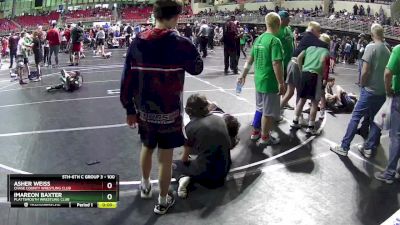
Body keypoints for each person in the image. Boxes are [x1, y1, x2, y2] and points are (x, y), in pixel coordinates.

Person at [120, 0, 204, 215]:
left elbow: (126, 77)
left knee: (147, 147)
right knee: (165, 158)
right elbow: (197, 68)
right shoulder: (180, 43)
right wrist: (190, 45)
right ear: (175, 17)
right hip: (169, 110)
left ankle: (146, 185)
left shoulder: (137, 41)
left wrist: (129, 108)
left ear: (155, 15)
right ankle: (162, 200)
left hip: (144, 110)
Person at [330, 24, 390, 158]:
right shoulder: (387, 51)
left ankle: (344, 147)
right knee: (375, 121)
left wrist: (362, 85)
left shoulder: (370, 47)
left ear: (372, 34)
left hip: (369, 90)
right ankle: (368, 148)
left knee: (355, 117)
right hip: (381, 93)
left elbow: (365, 71)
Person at [173, 94, 238, 198]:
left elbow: (185, 159)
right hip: (224, 171)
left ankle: (183, 178)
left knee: (173, 164)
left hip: (207, 175)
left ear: (189, 111)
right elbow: (229, 144)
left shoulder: (190, 128)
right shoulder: (220, 119)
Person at [237, 12, 286, 144]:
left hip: (259, 80)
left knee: (260, 108)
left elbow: (250, 59)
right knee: (268, 113)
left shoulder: (259, 39)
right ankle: (265, 137)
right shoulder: (275, 41)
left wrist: (243, 74)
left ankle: (256, 132)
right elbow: (276, 63)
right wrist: (281, 83)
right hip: (270, 82)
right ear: (278, 24)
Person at [280, 21, 329, 123]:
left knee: (290, 92)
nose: (319, 34)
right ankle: (298, 118)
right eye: (318, 31)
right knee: (300, 93)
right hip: (297, 65)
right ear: (312, 30)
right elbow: (324, 44)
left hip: (292, 63)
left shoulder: (307, 37)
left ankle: (276, 112)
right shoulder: (310, 36)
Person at [290, 33, 331, 135]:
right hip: (315, 76)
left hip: (305, 73)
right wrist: (321, 74)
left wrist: (301, 69)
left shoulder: (310, 48)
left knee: (302, 99)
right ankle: (311, 127)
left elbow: (299, 57)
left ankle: (295, 121)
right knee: (314, 102)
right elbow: (323, 62)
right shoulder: (325, 51)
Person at [374, 44, 400, 184]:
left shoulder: (398, 49)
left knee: (396, 136)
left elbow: (388, 73)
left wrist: (388, 90)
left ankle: (390, 173)